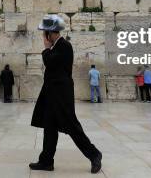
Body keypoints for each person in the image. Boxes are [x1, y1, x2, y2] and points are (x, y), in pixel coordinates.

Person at [29, 14, 102, 174]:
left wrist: (46, 48)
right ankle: (46, 161)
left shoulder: (64, 46)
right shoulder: (57, 47)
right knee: (49, 128)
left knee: (72, 128)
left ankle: (95, 154)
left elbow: (49, 62)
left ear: (51, 33)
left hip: (61, 96)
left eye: (45, 34)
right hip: (51, 96)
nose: (44, 37)